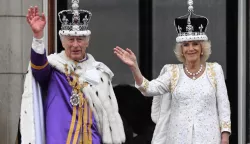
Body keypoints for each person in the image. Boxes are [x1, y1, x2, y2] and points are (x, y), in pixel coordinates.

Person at [114, 0, 231, 144]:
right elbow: (147, 89)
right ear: (181, 49)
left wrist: (225, 137)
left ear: (202, 48)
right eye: (186, 45)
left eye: (195, 44)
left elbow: (223, 106)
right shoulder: (172, 72)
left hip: (209, 138)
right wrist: (134, 67)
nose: (191, 48)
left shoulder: (215, 70)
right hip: (178, 138)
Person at [20, 1, 125, 144]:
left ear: (87, 42)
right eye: (70, 39)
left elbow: (107, 120)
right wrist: (38, 37)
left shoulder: (100, 73)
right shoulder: (54, 69)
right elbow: (38, 68)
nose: (75, 44)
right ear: (62, 42)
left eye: (80, 39)